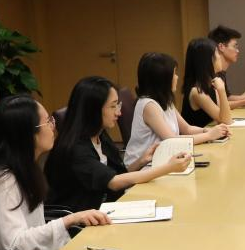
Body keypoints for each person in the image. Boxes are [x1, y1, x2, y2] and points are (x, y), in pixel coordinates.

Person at [0, 95, 111, 250]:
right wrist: (68, 220)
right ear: (27, 133)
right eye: (48, 121)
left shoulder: (24, 167)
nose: (53, 127)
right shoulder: (3, 181)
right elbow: (15, 244)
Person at [46, 76, 191, 213]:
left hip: (108, 208)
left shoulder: (99, 135)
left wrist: (141, 161)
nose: (119, 113)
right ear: (93, 110)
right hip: (83, 219)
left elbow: (116, 175)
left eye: (118, 105)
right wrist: (168, 168)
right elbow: (114, 182)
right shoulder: (75, 148)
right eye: (113, 106)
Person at [123, 51, 229, 167]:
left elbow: (187, 129)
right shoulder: (148, 105)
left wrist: (210, 131)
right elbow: (172, 141)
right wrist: (209, 135)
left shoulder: (165, 100)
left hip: (161, 160)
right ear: (162, 79)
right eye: (174, 74)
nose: (177, 77)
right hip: (143, 167)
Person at [180, 37, 234, 128]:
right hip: (197, 137)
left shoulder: (210, 83)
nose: (220, 57)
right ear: (207, 60)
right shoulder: (197, 91)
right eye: (217, 54)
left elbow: (224, 113)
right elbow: (226, 120)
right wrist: (221, 90)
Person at [208, 25, 245, 109]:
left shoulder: (221, 72)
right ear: (221, 47)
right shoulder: (210, 73)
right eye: (235, 46)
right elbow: (217, 105)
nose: (238, 51)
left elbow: (227, 97)